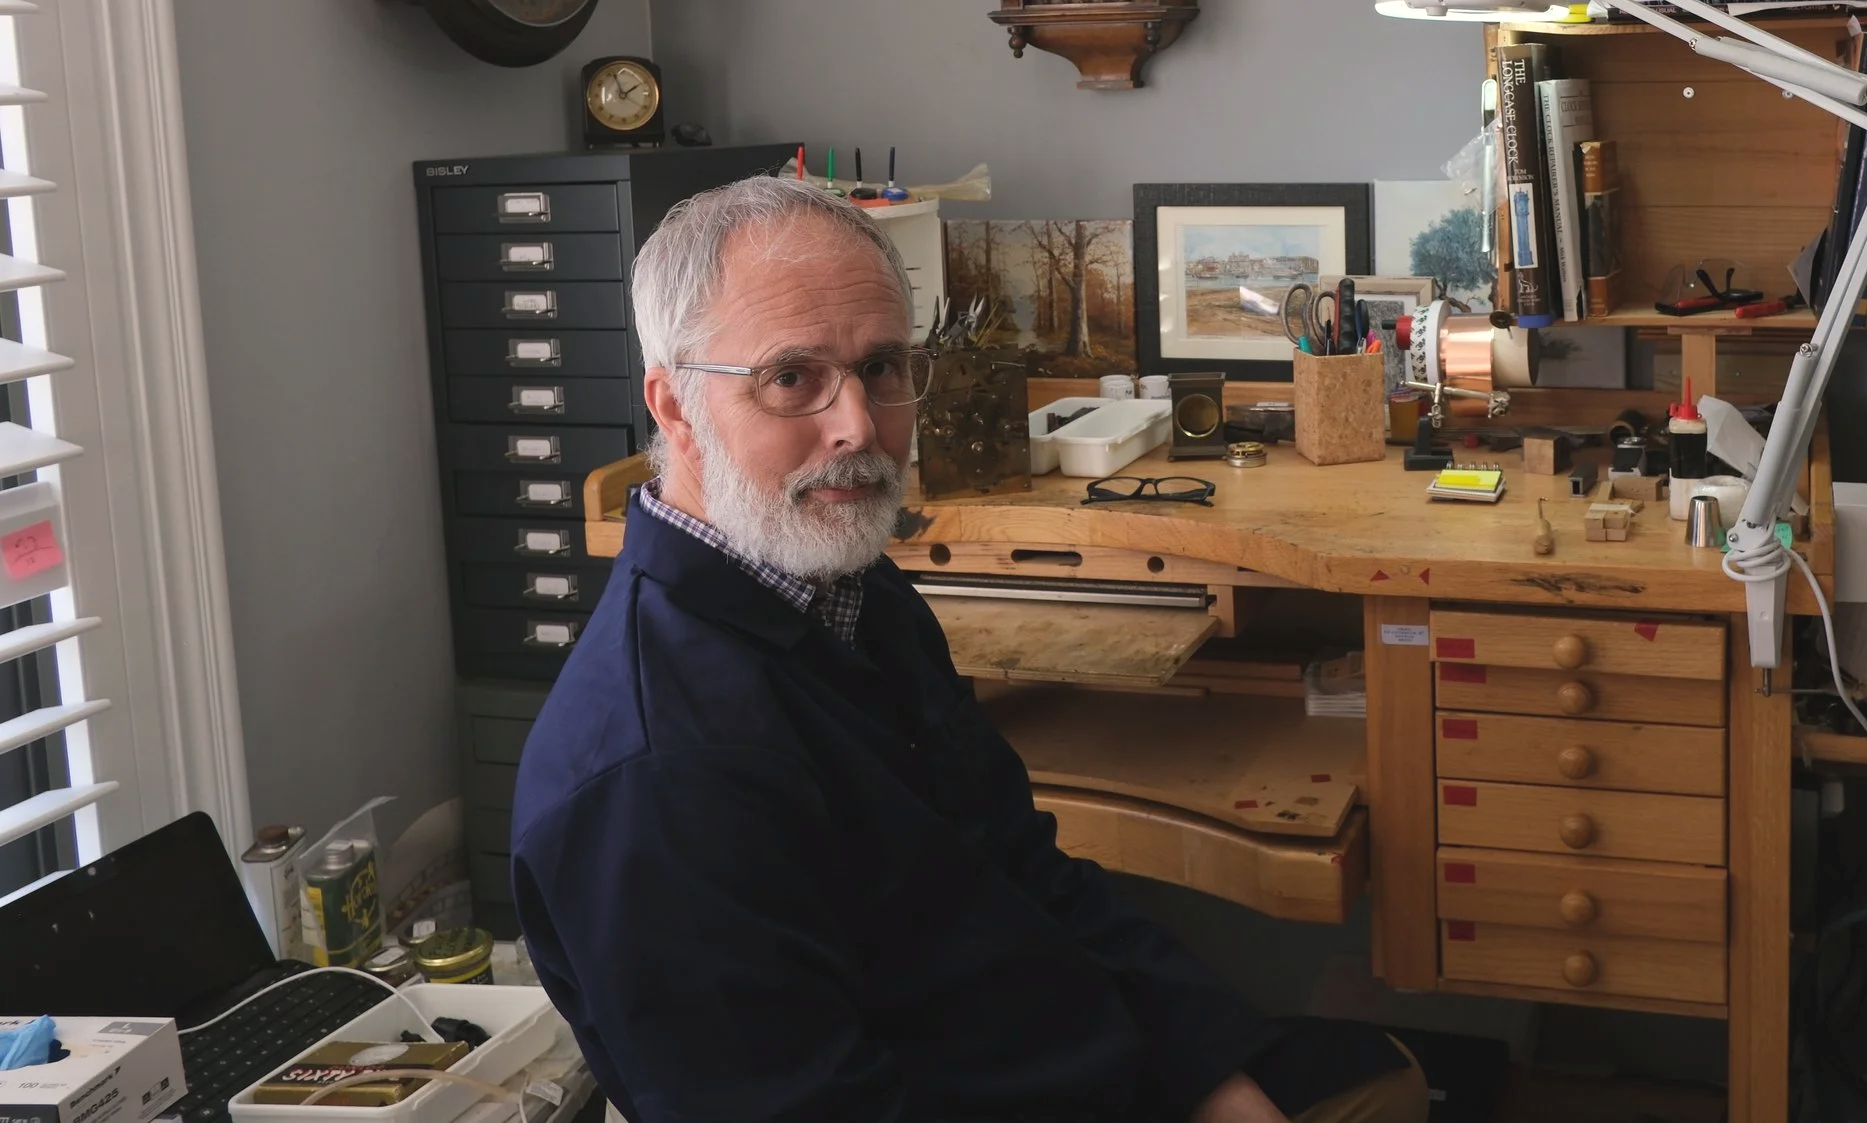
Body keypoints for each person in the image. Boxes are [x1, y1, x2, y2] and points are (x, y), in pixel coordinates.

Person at [512, 177, 1426, 1123]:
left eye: (881, 366)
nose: (859, 427)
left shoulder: (855, 593)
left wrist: (1214, 1078)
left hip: (1046, 1054)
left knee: (1379, 1074)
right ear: (672, 407)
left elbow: (1031, 872)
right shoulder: (657, 774)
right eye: (792, 378)